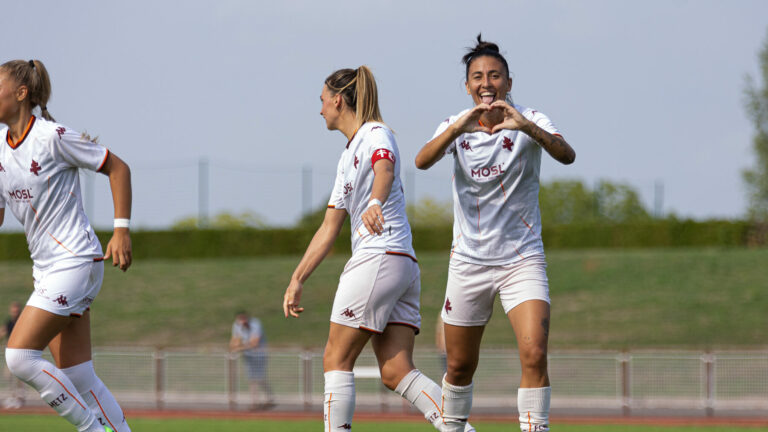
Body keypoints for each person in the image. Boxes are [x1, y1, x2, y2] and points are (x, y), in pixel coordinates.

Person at [283, 66, 474, 432]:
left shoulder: (375, 133)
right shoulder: (347, 157)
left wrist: (374, 201)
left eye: (322, 101)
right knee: (396, 371)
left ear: (338, 101)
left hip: (379, 257)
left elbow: (384, 169)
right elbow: (329, 228)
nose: (319, 109)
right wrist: (297, 278)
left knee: (335, 358)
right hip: (400, 263)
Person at [415, 35, 576, 432]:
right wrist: (457, 128)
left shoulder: (530, 118)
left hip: (522, 259)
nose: (486, 83)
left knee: (534, 354)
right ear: (467, 85)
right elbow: (421, 161)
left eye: (494, 75)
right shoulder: (456, 126)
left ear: (508, 81)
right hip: (469, 261)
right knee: (459, 365)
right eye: (477, 77)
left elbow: (566, 154)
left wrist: (526, 127)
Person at [0, 59, 133, 432]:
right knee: (77, 375)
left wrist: (121, 231)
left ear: (21, 93)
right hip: (46, 270)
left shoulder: (52, 136)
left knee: (20, 357)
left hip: (75, 260)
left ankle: (92, 430)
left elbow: (118, 168)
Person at [229, 310, 274, 410]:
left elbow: (255, 343)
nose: (242, 322)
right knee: (251, 379)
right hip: (248, 355)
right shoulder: (236, 325)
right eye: (240, 319)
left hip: (259, 355)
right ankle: (255, 402)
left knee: (259, 378)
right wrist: (234, 347)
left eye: (244, 319)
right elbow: (234, 340)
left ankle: (269, 398)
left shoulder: (255, 323)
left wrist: (239, 348)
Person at [1, 301, 25, 408]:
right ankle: (13, 396)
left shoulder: (23, 322)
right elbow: (3, 332)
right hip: (11, 355)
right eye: (13, 310)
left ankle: (19, 398)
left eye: (16, 310)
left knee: (19, 377)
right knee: (8, 375)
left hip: (21, 353)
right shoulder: (9, 323)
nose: (14, 312)